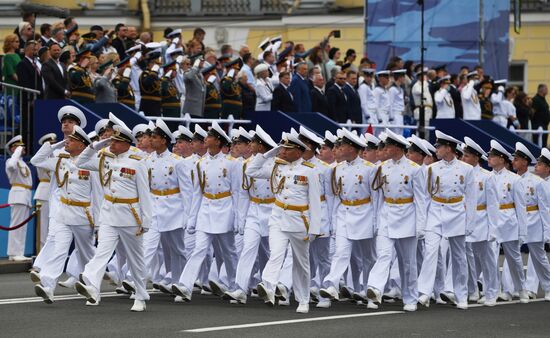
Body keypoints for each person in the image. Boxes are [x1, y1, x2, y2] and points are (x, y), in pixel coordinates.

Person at [75, 123, 152, 312]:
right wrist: (97, 145)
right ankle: (91, 284)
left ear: (126, 143)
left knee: (136, 259)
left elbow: (145, 194)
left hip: (130, 216)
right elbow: (81, 162)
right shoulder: (104, 156)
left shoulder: (137, 161)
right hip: (109, 213)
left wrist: (146, 221)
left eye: (116, 141)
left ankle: (141, 295)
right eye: (111, 140)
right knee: (102, 252)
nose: (112, 144)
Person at [246, 131, 322, 314]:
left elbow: (315, 202)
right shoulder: (276, 167)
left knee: (301, 264)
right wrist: (268, 154)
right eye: (282, 149)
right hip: (278, 218)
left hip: (299, 221)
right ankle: (268, 285)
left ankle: (303, 299)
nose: (283, 152)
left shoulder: (309, 170)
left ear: (298, 151)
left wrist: (315, 228)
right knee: (276, 254)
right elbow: (251, 171)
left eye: (287, 149)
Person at [172, 122, 241, 301]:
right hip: (206, 209)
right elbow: (197, 192)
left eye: (209, 136)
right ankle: (185, 285)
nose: (205, 139)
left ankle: (236, 286)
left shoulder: (231, 163)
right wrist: (192, 218)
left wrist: (237, 218)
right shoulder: (201, 163)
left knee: (229, 251)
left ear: (217, 141)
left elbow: (237, 193)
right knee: (199, 248)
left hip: (225, 209)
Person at [31, 126, 100, 304]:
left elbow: (98, 195)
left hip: (83, 214)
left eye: (71, 140)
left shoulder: (91, 163)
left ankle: (93, 288)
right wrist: (55, 145)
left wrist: (99, 222)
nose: (67, 141)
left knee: (87, 254)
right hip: (63, 213)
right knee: (58, 250)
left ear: (82, 144)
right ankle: (48, 286)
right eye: (67, 139)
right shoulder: (60, 160)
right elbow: (36, 160)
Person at [366, 129, 426, 312]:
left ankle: (410, 297)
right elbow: (377, 197)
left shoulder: (415, 170)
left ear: (398, 148)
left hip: (407, 215)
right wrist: (376, 220)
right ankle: (375, 288)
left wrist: (421, 225)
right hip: (387, 213)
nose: (384, 149)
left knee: (408, 262)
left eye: (388, 146)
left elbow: (421, 199)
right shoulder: (382, 168)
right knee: (384, 254)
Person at [417, 130, 476, 310]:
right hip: (436, 212)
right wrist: (422, 222)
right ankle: (424, 292)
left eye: (439, 147)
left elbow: (471, 198)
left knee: (459, 257)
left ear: (448, 148)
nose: (436, 150)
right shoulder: (431, 169)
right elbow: (424, 197)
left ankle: (461, 294)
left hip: (457, 212)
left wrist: (470, 223)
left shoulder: (466, 169)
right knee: (431, 252)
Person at [224, 125, 278, 304]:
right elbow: (244, 193)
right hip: (255, 210)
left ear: (261, 146)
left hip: (271, 211)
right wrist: (241, 218)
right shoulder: (248, 164)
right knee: (248, 249)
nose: (250, 145)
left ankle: (271, 287)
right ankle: (240, 288)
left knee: (269, 254)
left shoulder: (276, 164)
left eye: (254, 142)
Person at [148, 119, 193, 294]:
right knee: (149, 245)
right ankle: (132, 277)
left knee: (178, 249)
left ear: (164, 140)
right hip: (154, 207)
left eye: (154, 137)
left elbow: (187, 191)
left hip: (173, 209)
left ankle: (180, 283)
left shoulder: (177, 161)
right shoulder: (148, 160)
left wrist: (188, 216)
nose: (151, 139)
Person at [485, 140, 529, 303]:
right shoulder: (486, 176)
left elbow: (521, 206)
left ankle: (521, 288)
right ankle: (493, 290)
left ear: (502, 159)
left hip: (508, 219)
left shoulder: (514, 179)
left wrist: (522, 231)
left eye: (493, 156)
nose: (489, 158)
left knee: (514, 259)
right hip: (491, 220)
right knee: (490, 258)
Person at [461, 137, 499, 306]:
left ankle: (491, 292)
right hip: (463, 219)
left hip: (482, 219)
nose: (463, 159)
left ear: (476, 158)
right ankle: (472, 290)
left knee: (486, 258)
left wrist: (493, 228)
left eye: (467, 156)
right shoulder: (460, 172)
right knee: (467, 258)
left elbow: (493, 204)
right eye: (463, 156)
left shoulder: (486, 176)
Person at [4, 135, 33, 261]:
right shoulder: (11, 161)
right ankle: (13, 253)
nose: (22, 148)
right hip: (18, 194)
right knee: (16, 225)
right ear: (13, 149)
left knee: (22, 226)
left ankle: (18, 252)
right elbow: (11, 166)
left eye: (22, 146)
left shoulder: (22, 162)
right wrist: (16, 152)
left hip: (25, 195)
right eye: (19, 146)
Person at [34, 133, 57, 249]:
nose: (53, 146)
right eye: (50, 144)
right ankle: (41, 254)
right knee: (43, 227)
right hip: (44, 191)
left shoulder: (56, 157)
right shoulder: (42, 159)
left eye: (53, 144)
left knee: (53, 227)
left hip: (55, 192)